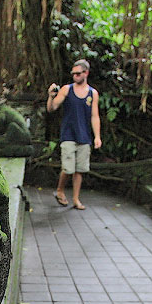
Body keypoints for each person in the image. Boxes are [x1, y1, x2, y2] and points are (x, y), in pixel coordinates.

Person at [46, 59, 101, 210]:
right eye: (73, 74)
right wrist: (51, 96)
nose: (75, 76)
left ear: (86, 73)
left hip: (84, 136)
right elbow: (52, 108)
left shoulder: (92, 93)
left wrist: (97, 136)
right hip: (68, 135)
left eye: (78, 74)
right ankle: (60, 190)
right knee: (68, 168)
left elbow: (94, 116)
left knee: (80, 170)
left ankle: (76, 199)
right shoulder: (66, 89)